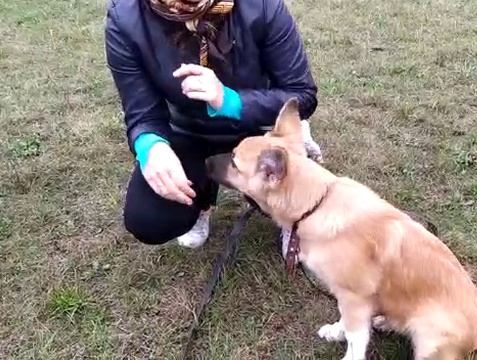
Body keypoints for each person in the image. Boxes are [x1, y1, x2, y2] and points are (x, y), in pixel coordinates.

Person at [105, 0, 322, 248]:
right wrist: (150, 146)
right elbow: (141, 110)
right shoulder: (125, 17)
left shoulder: (262, 5)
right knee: (151, 219)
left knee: (282, 189)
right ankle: (202, 201)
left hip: (255, 125)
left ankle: (291, 139)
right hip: (187, 128)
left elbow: (302, 94)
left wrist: (230, 101)